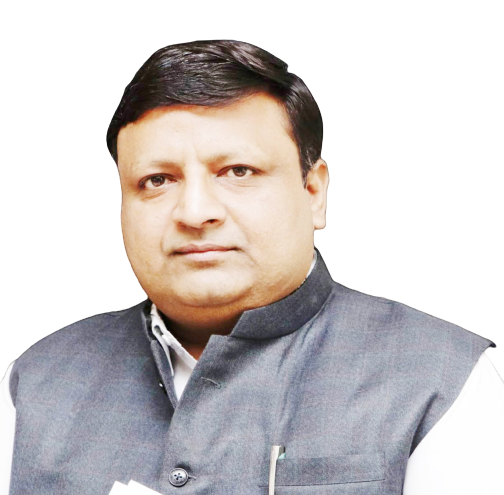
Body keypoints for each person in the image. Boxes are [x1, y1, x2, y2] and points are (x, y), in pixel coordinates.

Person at [1, 39, 502, 495]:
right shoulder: (33, 383)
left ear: (314, 192)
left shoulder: (443, 380)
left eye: (238, 171)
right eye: (157, 180)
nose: (195, 212)